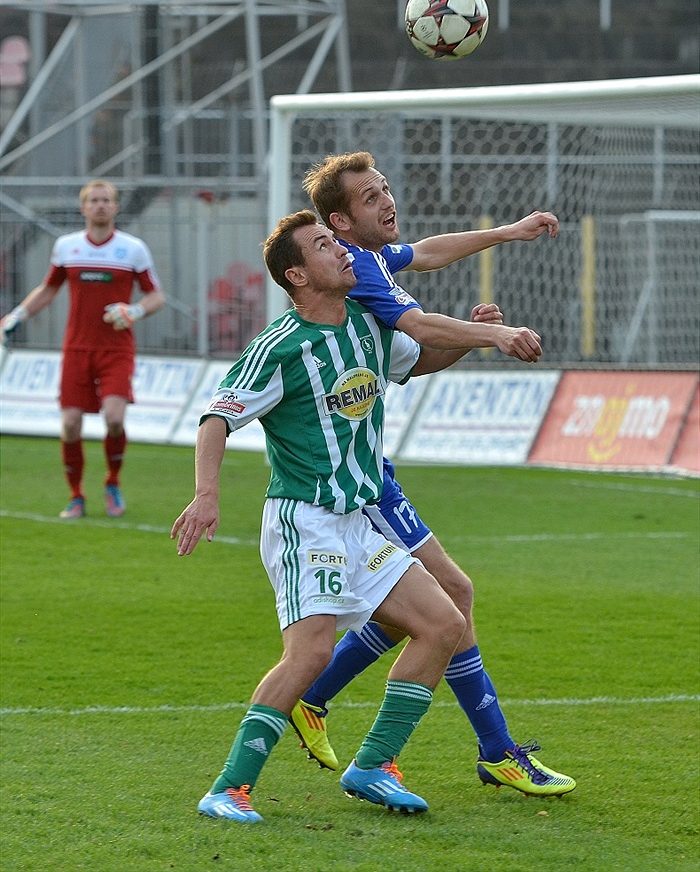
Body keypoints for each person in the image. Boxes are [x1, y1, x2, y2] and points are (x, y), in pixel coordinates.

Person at [170, 209, 490, 823]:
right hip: (305, 520)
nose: (341, 249)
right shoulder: (280, 347)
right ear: (297, 274)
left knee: (443, 624)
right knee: (310, 655)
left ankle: (373, 764)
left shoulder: (370, 323)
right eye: (323, 245)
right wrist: (207, 494)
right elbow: (217, 418)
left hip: (360, 519)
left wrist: (464, 341)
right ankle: (228, 788)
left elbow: (415, 362)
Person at [289, 151, 576, 797]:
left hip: (371, 471)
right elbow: (417, 325)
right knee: (452, 599)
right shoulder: (354, 269)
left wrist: (505, 234)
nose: (386, 201)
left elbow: (415, 350)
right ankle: (493, 751)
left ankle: (315, 698)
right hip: (353, 481)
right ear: (340, 219)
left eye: (386, 188)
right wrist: (495, 340)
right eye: (370, 197)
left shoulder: (371, 264)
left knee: (428, 607)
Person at [0, 180, 165, 519]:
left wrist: (134, 310)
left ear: (116, 207)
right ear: (84, 208)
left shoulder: (132, 249)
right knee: (70, 425)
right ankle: (76, 496)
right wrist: (18, 314)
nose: (101, 205)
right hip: (76, 349)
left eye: (107, 200)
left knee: (114, 418)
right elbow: (49, 288)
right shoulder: (67, 247)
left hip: (116, 349)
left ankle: (112, 483)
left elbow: (155, 296)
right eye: (94, 200)